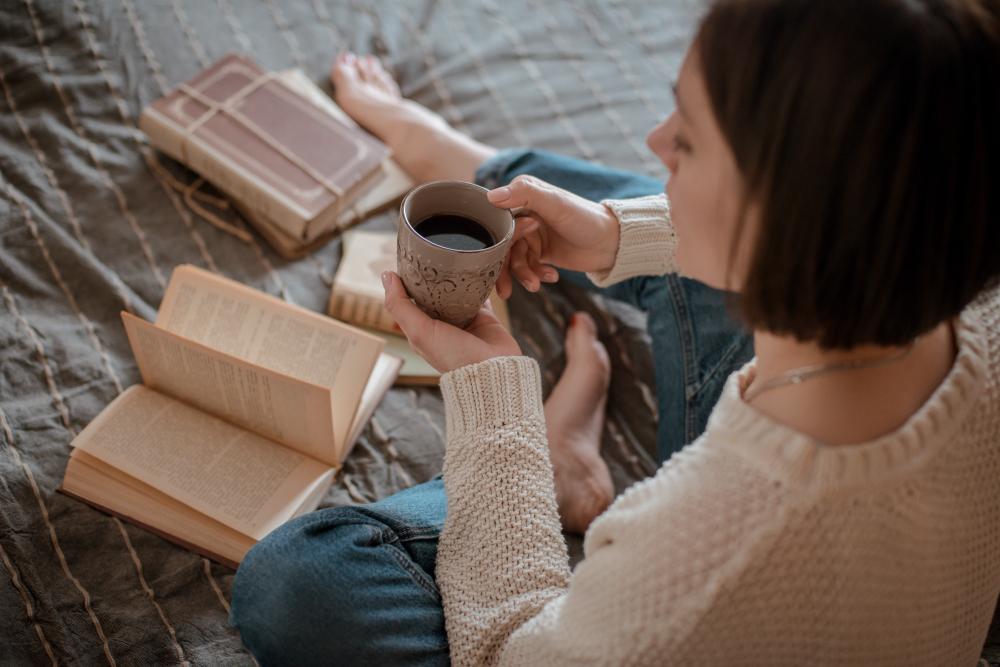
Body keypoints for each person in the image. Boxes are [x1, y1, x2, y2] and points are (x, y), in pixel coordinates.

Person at [229, 0, 1000, 664]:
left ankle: (554, 464)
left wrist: (495, 400)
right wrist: (612, 236)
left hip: (709, 571)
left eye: (689, 139)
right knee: (640, 214)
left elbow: (508, 649)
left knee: (299, 580)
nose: (656, 139)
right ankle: (471, 163)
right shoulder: (964, 284)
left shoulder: (703, 560)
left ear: (793, 224)